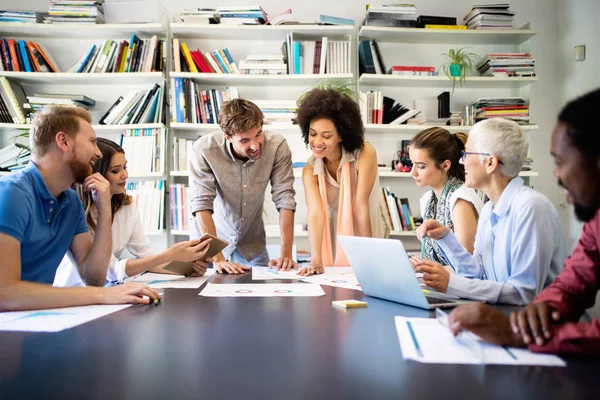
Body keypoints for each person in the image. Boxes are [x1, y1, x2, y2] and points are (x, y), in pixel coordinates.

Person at [448, 88, 600, 355]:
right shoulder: (595, 224)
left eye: (561, 161)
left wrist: (517, 332)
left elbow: (523, 293)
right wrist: (543, 311)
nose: (557, 174)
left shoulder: (531, 206)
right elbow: (571, 285)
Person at [0, 106, 160, 311]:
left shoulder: (70, 201)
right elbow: (5, 293)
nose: (98, 152)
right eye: (92, 142)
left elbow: (93, 277)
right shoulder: (11, 194)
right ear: (64, 142)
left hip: (32, 319)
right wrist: (106, 294)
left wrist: (105, 211)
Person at [414, 118, 568, 305]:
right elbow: (477, 273)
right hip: (503, 316)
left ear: (490, 163)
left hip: (538, 326)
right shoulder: (489, 210)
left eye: (467, 153)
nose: (461, 161)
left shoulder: (531, 208)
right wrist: (446, 238)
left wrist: (450, 283)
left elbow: (522, 293)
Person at [53, 138, 212, 287]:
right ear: (95, 176)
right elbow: (111, 271)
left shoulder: (126, 206)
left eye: (125, 167)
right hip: (73, 291)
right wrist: (170, 255)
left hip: (103, 290)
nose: (125, 175)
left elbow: (146, 256)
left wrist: (186, 269)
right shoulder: (76, 212)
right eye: (116, 171)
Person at [189, 98, 297, 274]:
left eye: (258, 134)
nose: (254, 145)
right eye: (245, 140)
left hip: (252, 246)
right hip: (209, 246)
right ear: (228, 137)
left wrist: (285, 254)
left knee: (258, 299)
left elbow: (285, 198)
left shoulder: (277, 146)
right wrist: (218, 259)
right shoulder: (204, 150)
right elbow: (201, 204)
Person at [295, 88, 385, 276]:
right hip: (337, 233)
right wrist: (316, 260)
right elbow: (316, 214)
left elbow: (360, 205)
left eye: (326, 136)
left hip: (367, 224)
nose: (317, 142)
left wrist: (369, 253)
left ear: (341, 135)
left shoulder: (364, 153)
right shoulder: (310, 169)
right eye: (312, 134)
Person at [409, 128, 483, 267]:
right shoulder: (428, 200)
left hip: (464, 285)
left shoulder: (460, 200)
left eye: (421, 166)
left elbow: (466, 266)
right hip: (445, 281)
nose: (413, 172)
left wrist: (426, 269)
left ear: (445, 165)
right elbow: (435, 257)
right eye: (412, 164)